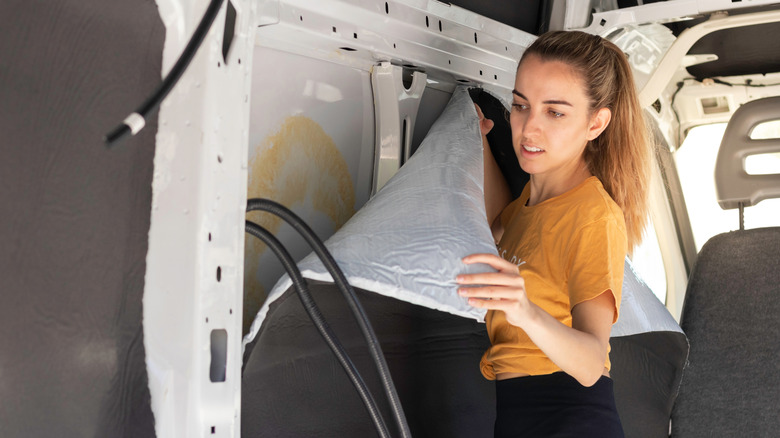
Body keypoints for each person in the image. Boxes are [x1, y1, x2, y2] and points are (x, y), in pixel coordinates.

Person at [457, 30, 652, 437]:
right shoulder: (534, 199)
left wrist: (524, 310)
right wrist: (479, 142)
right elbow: (498, 227)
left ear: (596, 123)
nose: (529, 128)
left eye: (555, 112)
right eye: (520, 105)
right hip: (518, 416)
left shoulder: (592, 216)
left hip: (569, 417)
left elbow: (589, 363)